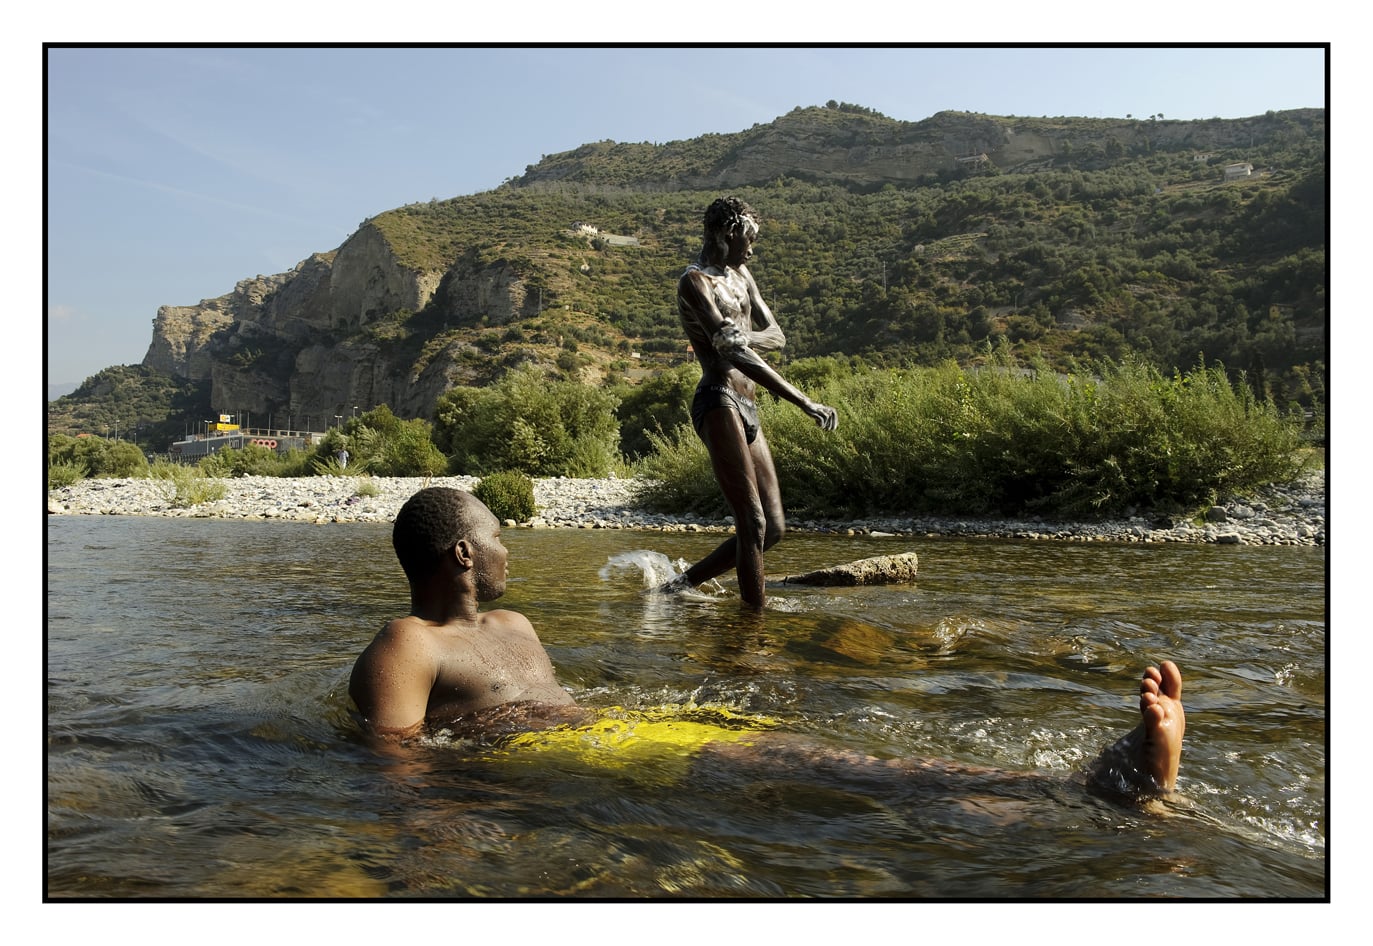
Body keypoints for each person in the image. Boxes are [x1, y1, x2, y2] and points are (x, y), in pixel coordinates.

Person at [351, 487, 1186, 804]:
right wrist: (444, 840)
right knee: (809, 764)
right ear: (463, 553)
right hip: (585, 756)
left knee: (811, 751)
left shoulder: (515, 627)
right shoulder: (404, 644)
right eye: (498, 536)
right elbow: (394, 765)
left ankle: (1044, 791)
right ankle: (1081, 789)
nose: (510, 548)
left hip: (617, 735)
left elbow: (551, 702)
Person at [664, 196, 839, 607]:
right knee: (752, 520)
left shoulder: (742, 275)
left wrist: (744, 336)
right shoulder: (695, 283)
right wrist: (803, 401)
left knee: (773, 527)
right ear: (729, 233)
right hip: (719, 399)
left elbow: (775, 336)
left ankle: (676, 587)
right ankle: (752, 624)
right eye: (749, 239)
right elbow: (733, 355)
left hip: (749, 405)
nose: (752, 249)